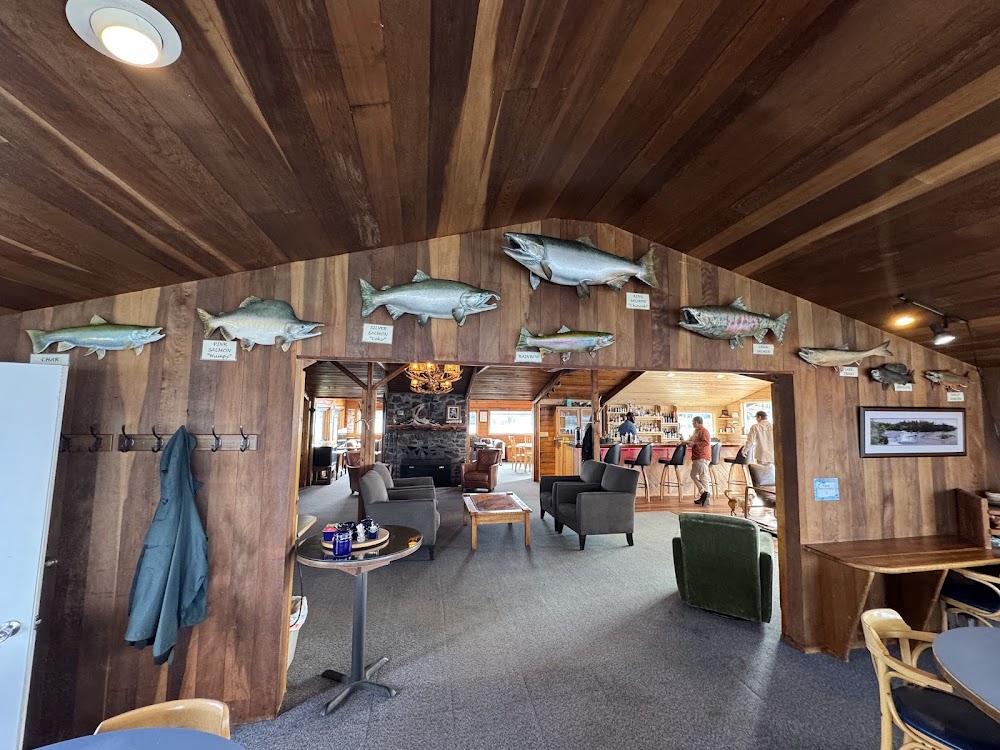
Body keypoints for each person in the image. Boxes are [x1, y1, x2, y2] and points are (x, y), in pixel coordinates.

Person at [680, 416, 712, 505]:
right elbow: (690, 440)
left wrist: (694, 444)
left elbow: (706, 442)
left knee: (703, 477)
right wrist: (683, 442)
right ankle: (703, 493)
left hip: (702, 456)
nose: (692, 424)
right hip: (696, 456)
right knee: (693, 475)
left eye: (693, 422)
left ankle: (706, 499)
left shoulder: (704, 431)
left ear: (697, 422)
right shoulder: (695, 431)